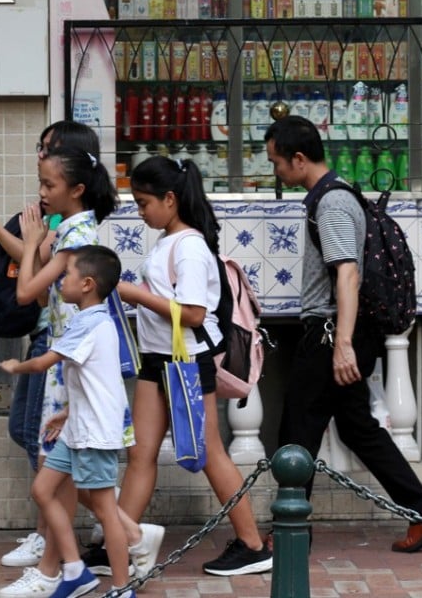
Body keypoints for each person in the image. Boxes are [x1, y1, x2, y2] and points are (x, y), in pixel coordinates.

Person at [264, 115, 422, 553]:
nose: (275, 171)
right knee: (357, 427)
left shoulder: (330, 203)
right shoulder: (338, 194)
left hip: (331, 332)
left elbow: (347, 273)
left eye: (276, 162)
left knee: (296, 432)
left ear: (299, 159)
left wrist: (342, 344)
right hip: (342, 331)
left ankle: (290, 531)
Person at [83, 155, 272, 577]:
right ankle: (117, 543)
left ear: (170, 199)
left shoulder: (189, 246)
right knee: (141, 454)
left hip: (186, 361)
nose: (140, 211)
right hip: (158, 359)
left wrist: (134, 293)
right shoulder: (171, 241)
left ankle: (253, 544)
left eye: (144, 203)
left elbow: (192, 314)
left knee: (209, 452)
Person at [0, 129, 160, 597]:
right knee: (58, 481)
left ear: (77, 189)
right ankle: (91, 558)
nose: (42, 193)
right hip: (71, 376)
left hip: (72, 375)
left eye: (49, 185)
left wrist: (32, 242)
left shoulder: (76, 237)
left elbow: (27, 292)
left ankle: (72, 570)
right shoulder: (69, 231)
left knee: (71, 486)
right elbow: (40, 295)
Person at [0, 121, 98, 570]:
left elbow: (35, 270)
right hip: (51, 337)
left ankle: (59, 542)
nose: (40, 156)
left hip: (58, 345)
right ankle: (89, 533)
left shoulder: (72, 228)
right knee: (34, 437)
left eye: (47, 150)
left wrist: (0, 233)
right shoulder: (65, 218)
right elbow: (39, 266)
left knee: (47, 447)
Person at [0, 245, 138, 598]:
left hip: (94, 435)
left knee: (106, 512)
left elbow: (44, 362)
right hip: (78, 428)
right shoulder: (91, 320)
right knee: (43, 490)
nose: (61, 280)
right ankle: (75, 570)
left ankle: (122, 588)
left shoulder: (90, 323)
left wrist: (16, 366)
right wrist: (68, 413)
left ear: (87, 284)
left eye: (67, 275)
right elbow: (95, 380)